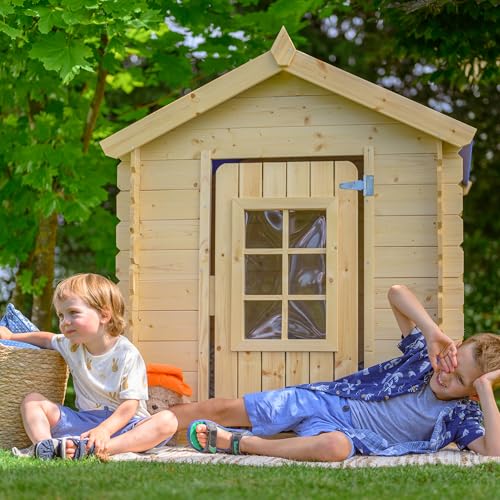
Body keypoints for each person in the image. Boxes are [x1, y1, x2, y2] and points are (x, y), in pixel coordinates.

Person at [170, 285, 500, 461]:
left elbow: (493, 452)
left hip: (347, 436)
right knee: (228, 408)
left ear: (472, 393)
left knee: (336, 449)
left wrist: (486, 388)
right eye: (452, 364)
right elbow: (396, 293)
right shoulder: (422, 357)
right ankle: (148, 423)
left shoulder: (462, 415)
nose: (446, 375)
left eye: (460, 380)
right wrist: (431, 332)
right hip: (325, 401)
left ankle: (244, 444)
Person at [0, 273, 177, 460]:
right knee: (32, 400)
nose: (64, 322)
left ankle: (103, 448)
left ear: (104, 315)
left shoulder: (127, 354)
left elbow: (130, 405)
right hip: (84, 421)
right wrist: (12, 337)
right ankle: (47, 446)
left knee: (167, 421)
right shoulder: (71, 345)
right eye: (61, 315)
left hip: (127, 426)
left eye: (73, 313)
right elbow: (46, 339)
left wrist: (104, 430)